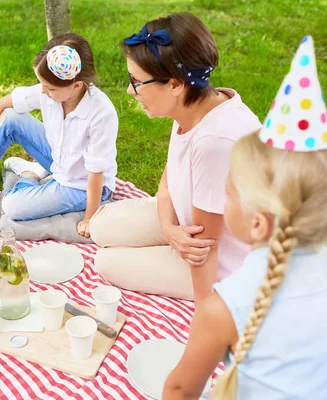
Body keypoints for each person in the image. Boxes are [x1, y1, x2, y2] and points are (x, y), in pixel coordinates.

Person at [163, 37, 327, 399]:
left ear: (258, 224)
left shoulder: (224, 306)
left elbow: (179, 390)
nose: (224, 197)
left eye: (229, 191)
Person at [89, 13, 261, 302]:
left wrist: (208, 316)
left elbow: (206, 249)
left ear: (174, 84)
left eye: (137, 81)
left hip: (222, 266)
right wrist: (169, 231)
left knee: (105, 262)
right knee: (98, 226)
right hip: (185, 221)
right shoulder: (194, 103)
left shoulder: (214, 142)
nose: (130, 91)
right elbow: (167, 184)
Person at [0, 33, 118, 237]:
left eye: (49, 88)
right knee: (11, 117)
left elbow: (96, 172)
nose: (42, 92)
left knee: (12, 207)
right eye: (42, 84)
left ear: (77, 85)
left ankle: (29, 174)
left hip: (81, 183)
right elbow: (1, 105)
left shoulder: (101, 113)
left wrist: (89, 218)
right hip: (59, 159)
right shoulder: (52, 92)